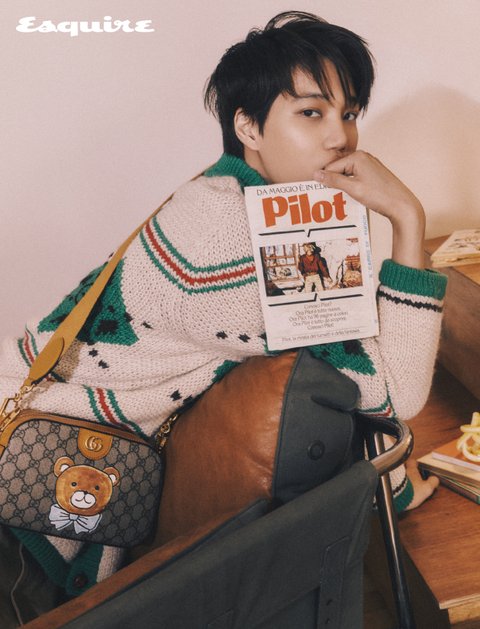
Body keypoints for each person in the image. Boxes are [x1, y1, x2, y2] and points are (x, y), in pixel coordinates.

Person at [0, 10, 444, 622]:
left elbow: (338, 363)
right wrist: (408, 218)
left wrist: (389, 484)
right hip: (23, 509)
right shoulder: (231, 242)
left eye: (348, 113)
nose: (340, 137)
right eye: (311, 113)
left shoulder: (234, 201)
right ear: (248, 126)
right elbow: (395, 389)